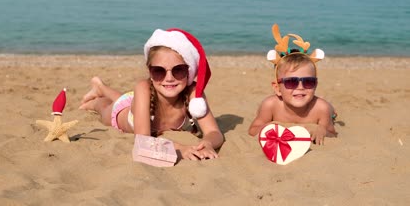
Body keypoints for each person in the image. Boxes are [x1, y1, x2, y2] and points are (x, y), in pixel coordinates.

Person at [80, 28, 224, 160]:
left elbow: (214, 132)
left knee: (126, 98)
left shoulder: (194, 93)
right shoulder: (143, 88)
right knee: (104, 107)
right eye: (159, 71)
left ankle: (101, 87)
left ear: (189, 71)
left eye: (178, 69)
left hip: (138, 102)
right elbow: (142, 141)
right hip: (123, 111)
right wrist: (181, 149)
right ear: (150, 71)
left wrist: (207, 143)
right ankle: (97, 93)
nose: (169, 78)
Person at [248, 24, 337, 145]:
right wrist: (268, 127)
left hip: (325, 108)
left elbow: (333, 133)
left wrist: (322, 130)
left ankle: (333, 109)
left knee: (330, 110)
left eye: (308, 82)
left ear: (315, 85)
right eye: (291, 82)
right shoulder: (270, 105)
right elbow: (253, 130)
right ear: (277, 88)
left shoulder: (321, 109)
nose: (300, 87)